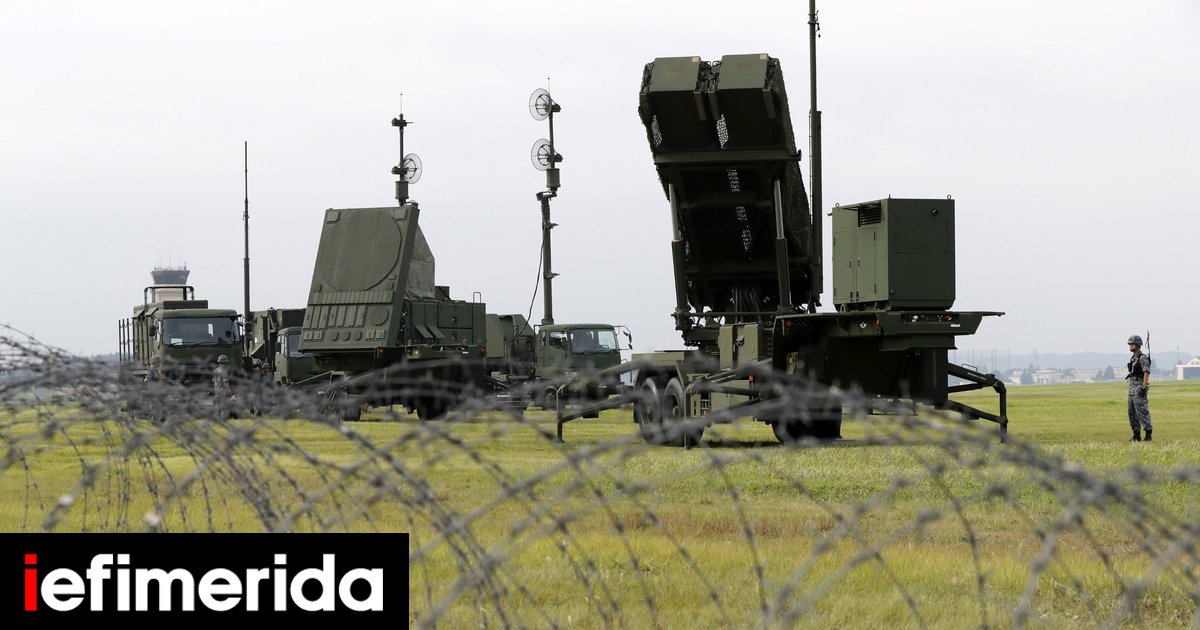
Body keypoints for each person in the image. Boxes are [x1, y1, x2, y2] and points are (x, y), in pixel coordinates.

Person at [1125, 334, 1153, 442]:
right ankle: (1136, 435)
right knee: (1131, 412)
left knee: (1142, 411)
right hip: (1132, 388)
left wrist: (1144, 386)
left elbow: (1146, 372)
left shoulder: (1142, 358)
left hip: (1139, 387)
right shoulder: (1133, 358)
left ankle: (1148, 435)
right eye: (1130, 344)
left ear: (1138, 345)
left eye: (1132, 344)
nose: (1130, 346)